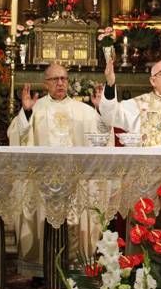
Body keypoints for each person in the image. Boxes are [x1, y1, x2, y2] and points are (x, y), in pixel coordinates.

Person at [7, 63, 109, 278]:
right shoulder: (36, 108)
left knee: (76, 221)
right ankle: (44, 270)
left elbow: (102, 137)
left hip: (75, 180)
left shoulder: (83, 110)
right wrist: (25, 111)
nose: (61, 83)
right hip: (43, 181)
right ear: (46, 83)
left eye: (64, 78)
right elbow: (17, 135)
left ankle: (74, 266)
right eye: (55, 79)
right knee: (45, 221)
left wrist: (100, 110)